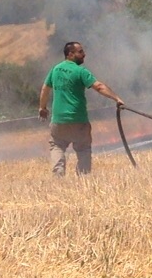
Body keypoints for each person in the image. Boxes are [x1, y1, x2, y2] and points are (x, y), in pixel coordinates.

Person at [38, 41, 124, 176]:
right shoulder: (80, 71)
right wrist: (116, 98)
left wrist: (42, 108)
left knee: (57, 146)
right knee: (83, 149)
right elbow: (99, 87)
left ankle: (58, 175)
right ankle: (83, 178)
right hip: (78, 119)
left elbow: (45, 89)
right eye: (80, 52)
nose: (84, 54)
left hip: (59, 120)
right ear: (70, 54)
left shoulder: (55, 70)